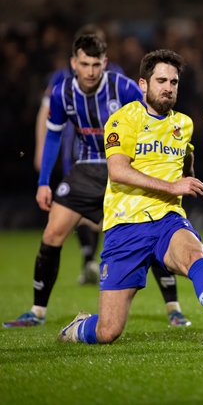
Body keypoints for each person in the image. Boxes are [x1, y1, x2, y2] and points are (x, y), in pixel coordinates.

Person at [3, 34, 190, 329]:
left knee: (149, 229)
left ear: (104, 63)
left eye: (96, 64)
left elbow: (154, 121)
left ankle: (174, 309)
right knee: (52, 233)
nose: (90, 71)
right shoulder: (62, 92)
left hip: (125, 170)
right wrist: (43, 182)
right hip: (86, 170)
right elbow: (53, 135)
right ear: (73, 63)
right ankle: (37, 312)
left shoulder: (123, 87)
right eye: (84, 64)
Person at [57, 49, 203, 347]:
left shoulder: (184, 123)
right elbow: (117, 171)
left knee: (195, 254)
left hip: (167, 220)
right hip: (126, 226)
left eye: (174, 82)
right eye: (161, 80)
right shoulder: (123, 120)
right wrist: (173, 187)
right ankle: (77, 329)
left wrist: (187, 174)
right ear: (143, 85)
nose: (168, 87)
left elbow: (186, 156)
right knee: (108, 331)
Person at [33, 24, 123, 285]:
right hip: (75, 150)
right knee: (79, 211)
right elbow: (45, 113)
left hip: (109, 155)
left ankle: (95, 262)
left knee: (105, 214)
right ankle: (90, 262)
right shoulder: (61, 80)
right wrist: (40, 148)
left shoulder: (116, 77)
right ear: (76, 58)